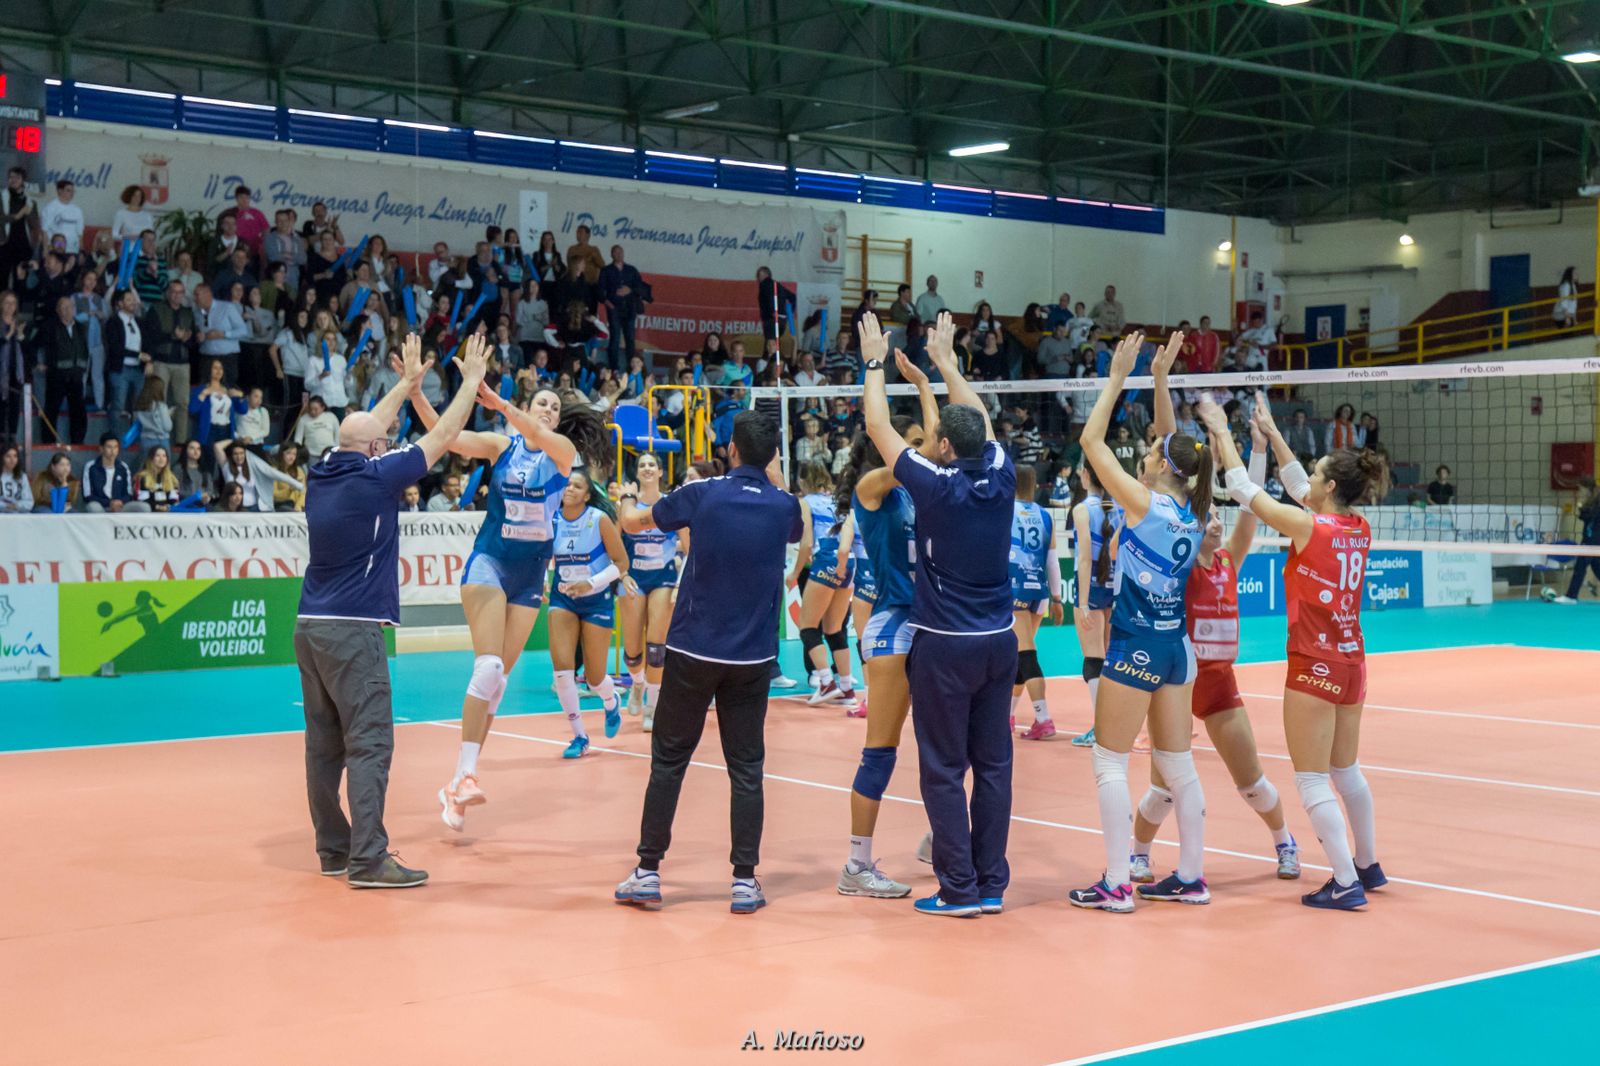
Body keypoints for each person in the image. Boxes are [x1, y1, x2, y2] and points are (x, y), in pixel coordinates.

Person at [295, 332, 488, 889]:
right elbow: (445, 433)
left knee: (323, 746)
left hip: (310, 625)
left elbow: (362, 429)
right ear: (379, 452)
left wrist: (405, 386)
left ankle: (333, 849)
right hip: (354, 630)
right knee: (371, 742)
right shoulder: (379, 475)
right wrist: (471, 382)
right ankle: (369, 858)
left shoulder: (325, 466)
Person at [1201, 392, 1389, 910]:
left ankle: (1346, 882)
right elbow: (1301, 487)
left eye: (1317, 471)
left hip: (1314, 664)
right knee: (1345, 771)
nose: (1309, 476)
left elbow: (1243, 489)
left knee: (1310, 778)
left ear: (1328, 486)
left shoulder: (1309, 527)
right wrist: (1272, 431)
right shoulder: (1356, 526)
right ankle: (1368, 865)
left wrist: (1222, 430)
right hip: (1353, 663)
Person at [860, 309, 1017, 918]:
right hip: (998, 642)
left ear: (944, 446)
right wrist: (947, 364)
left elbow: (878, 424)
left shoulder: (936, 484)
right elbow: (980, 415)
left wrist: (875, 362)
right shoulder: (1001, 473)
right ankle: (992, 882)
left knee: (944, 768)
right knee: (995, 766)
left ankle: (958, 889)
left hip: (945, 645)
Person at [612, 411, 801, 914]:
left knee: (669, 762)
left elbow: (634, 522)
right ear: (771, 456)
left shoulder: (705, 491)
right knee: (747, 769)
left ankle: (648, 873)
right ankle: (743, 881)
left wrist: (627, 496)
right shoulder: (785, 506)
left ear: (732, 450)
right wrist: (773, 468)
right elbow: (792, 515)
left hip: (693, 650)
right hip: (753, 658)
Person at [419, 357, 611, 832]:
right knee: (486, 667)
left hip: (529, 576)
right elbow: (445, 437)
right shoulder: (501, 446)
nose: (546, 409)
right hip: (490, 562)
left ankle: (458, 781)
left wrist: (503, 403)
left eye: (552, 406)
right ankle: (464, 776)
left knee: (498, 682)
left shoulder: (562, 452)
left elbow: (541, 434)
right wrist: (415, 393)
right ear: (529, 407)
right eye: (539, 403)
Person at [1070, 330, 1214, 913]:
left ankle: (1115, 882)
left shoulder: (1143, 502)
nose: (1147, 454)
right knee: (1176, 763)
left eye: (1152, 454)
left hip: (1135, 646)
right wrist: (1159, 379)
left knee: (1109, 759)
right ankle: (1193, 875)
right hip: (1176, 648)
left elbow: (1089, 439)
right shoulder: (1193, 507)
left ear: (1159, 469)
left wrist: (1117, 376)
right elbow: (1172, 440)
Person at [1130, 409, 1300, 881]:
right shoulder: (1180, 565)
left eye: (1219, 518)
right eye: (1208, 519)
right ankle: (1139, 853)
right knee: (1162, 791)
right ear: (1193, 527)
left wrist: (1258, 449)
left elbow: (1252, 505)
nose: (1217, 524)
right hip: (1176, 684)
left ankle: (1285, 842)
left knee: (1252, 783)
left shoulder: (1230, 559)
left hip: (1220, 686)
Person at [548, 469, 630, 757]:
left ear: (586, 494)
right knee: (562, 672)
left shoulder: (598, 519)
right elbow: (543, 557)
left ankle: (610, 701)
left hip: (596, 600)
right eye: (566, 484)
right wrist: (542, 579)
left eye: (576, 485)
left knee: (595, 678)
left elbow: (621, 563)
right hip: (563, 599)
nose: (569, 488)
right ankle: (579, 736)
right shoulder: (552, 520)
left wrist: (590, 584)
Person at [619, 452, 684, 733]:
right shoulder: (627, 506)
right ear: (638, 473)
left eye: (651, 465)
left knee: (656, 648)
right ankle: (636, 683)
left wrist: (681, 582)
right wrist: (621, 574)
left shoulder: (671, 504)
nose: (647, 468)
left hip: (664, 578)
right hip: (634, 578)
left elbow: (689, 545)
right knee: (633, 653)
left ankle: (653, 706)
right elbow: (614, 543)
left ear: (660, 472)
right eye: (642, 465)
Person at [792, 461, 857, 706]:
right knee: (834, 629)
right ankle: (848, 688)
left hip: (827, 559)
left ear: (802, 481)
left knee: (807, 626)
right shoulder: (837, 502)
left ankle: (826, 681)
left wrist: (795, 572)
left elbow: (807, 543)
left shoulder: (805, 502)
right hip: (849, 561)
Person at [1067, 462, 1122, 748]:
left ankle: (1101, 730)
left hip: (1092, 586)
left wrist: (1084, 601)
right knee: (1110, 658)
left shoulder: (1081, 509)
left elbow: (1085, 557)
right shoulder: (1119, 508)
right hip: (1115, 587)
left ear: (1086, 475)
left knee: (1092, 658)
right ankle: (1113, 724)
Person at [1010, 465, 1065, 740]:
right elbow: (1052, 560)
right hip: (1039, 591)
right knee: (1019, 655)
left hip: (1014, 587)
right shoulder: (1045, 516)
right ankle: (1006, 717)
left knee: (1026, 654)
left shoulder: (1005, 510)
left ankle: (1043, 718)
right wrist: (1057, 598)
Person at [1547, 476, 1599, 604]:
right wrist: (1581, 508)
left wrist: (1580, 507)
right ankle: (1571, 596)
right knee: (1597, 568)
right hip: (1590, 540)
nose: (1579, 491)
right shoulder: (1591, 500)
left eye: (1580, 489)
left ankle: (1571, 596)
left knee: (1579, 568)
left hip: (1593, 541)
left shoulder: (1597, 500)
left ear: (1587, 489)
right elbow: (1586, 517)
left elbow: (1590, 515)